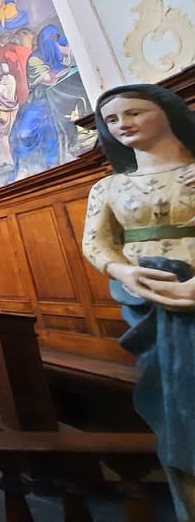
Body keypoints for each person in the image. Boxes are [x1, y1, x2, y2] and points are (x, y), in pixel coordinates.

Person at [82, 84, 195, 521]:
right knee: (173, 411)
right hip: (146, 303)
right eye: (111, 119)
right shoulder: (107, 187)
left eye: (134, 112)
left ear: (167, 112)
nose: (122, 123)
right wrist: (125, 272)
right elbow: (97, 244)